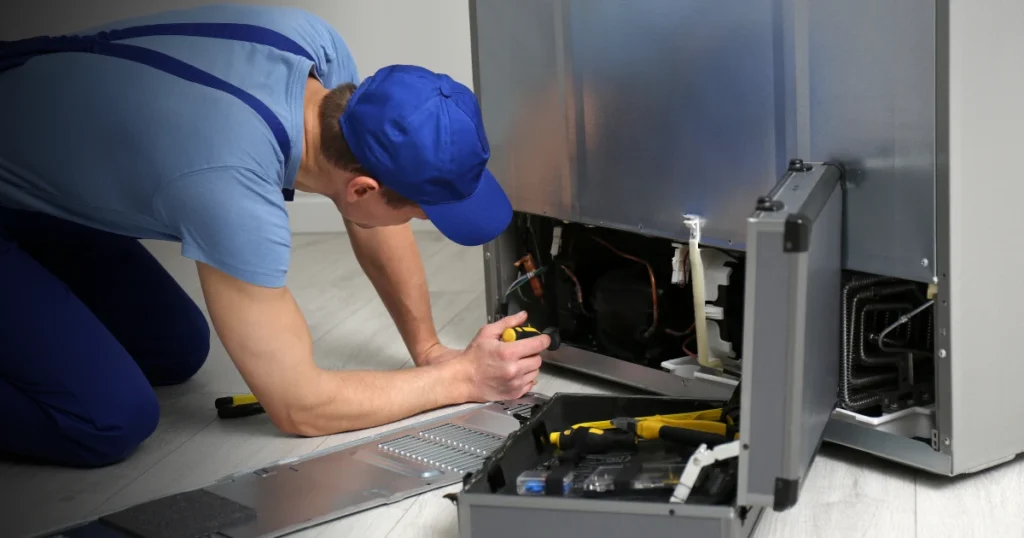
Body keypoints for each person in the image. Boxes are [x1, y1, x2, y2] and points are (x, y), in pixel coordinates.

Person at [0, 4, 549, 468]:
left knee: (175, 350)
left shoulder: (321, 60)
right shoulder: (231, 185)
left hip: (38, 174)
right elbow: (300, 406)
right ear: (362, 189)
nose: (417, 222)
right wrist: (463, 382)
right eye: (420, 213)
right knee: (110, 418)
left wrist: (430, 352)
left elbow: (372, 220)